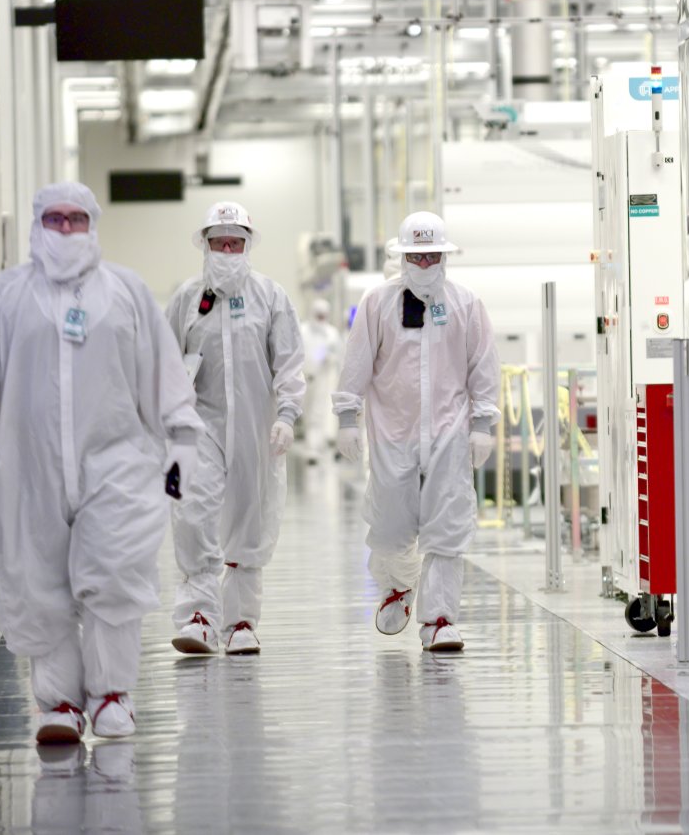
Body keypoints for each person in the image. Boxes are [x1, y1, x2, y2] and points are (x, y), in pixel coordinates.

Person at [0, 182, 204, 744]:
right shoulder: (4, 296)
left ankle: (113, 694)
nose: (66, 229)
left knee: (114, 574)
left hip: (117, 464)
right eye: (55, 219)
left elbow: (162, 369)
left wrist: (182, 436)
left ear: (93, 224)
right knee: (40, 584)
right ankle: (60, 702)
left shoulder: (127, 292)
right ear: (38, 224)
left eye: (76, 219)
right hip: (28, 468)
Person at [335, 211, 500, 652]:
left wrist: (483, 423)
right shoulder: (377, 303)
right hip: (392, 433)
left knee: (447, 527)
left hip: (449, 433)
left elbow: (483, 366)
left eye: (432, 256)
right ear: (403, 257)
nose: (424, 264)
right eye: (416, 257)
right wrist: (347, 416)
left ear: (444, 257)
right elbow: (356, 362)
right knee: (390, 526)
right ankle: (397, 585)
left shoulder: (466, 304)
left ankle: (439, 620)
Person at [166, 202, 306, 657]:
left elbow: (289, 362)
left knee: (251, 518)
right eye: (219, 242)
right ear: (204, 245)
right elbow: (164, 364)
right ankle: (199, 617)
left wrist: (287, 415)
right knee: (193, 514)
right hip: (198, 426)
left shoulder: (270, 296)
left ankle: (241, 622)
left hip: (254, 427)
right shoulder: (187, 299)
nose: (227, 250)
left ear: (248, 246)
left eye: (235, 243)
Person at [298, 297, 344, 465]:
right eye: (318, 315)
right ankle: (312, 446)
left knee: (319, 414)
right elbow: (297, 355)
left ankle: (315, 449)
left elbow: (338, 357)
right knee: (308, 414)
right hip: (304, 380)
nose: (321, 318)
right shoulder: (303, 331)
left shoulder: (331, 334)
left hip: (323, 381)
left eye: (323, 315)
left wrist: (329, 358)